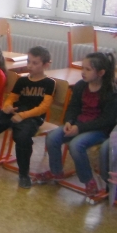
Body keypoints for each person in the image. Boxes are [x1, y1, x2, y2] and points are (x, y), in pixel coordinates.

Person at [0, 46, 56, 189]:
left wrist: (22, 115)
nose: (30, 65)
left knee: (22, 137)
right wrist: (7, 106)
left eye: (35, 63)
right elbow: (12, 98)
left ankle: (24, 175)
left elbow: (43, 107)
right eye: (29, 61)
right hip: (14, 112)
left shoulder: (49, 83)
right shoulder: (22, 80)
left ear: (46, 65)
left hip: (33, 117)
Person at [36, 53, 117, 198]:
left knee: (76, 145)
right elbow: (73, 107)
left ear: (101, 73)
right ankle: (56, 172)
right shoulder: (81, 86)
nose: (83, 72)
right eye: (82, 68)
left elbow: (107, 120)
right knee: (52, 137)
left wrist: (79, 128)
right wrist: (69, 121)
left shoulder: (110, 91)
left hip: (98, 130)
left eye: (88, 69)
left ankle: (89, 181)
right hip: (78, 124)